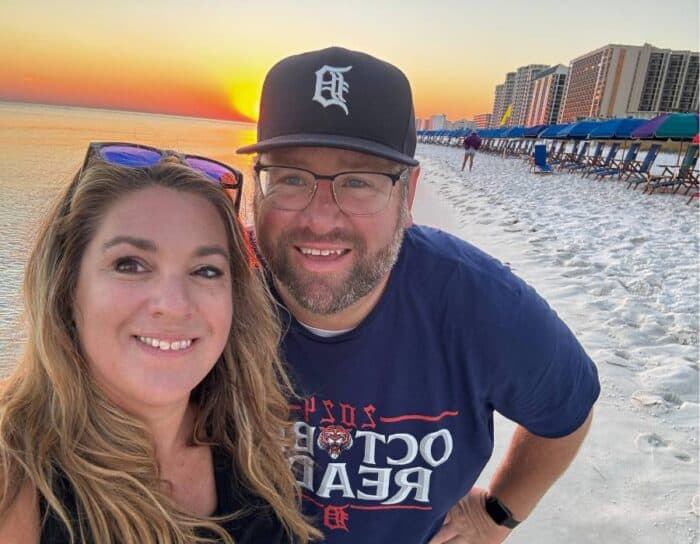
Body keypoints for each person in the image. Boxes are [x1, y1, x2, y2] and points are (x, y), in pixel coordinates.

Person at [237, 47, 600, 544]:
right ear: (257, 190)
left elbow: (568, 408)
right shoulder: (218, 288)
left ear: (407, 196)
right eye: (291, 178)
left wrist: (497, 514)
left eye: (359, 182)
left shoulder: (476, 301)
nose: (320, 219)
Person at [0, 143, 321, 544]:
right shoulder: (15, 477)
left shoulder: (251, 441)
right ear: (67, 285)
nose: (173, 305)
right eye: (130, 264)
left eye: (205, 270)